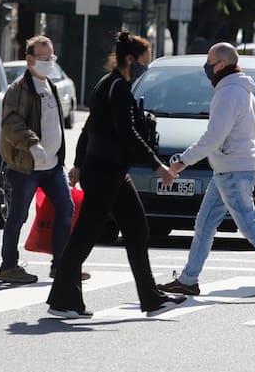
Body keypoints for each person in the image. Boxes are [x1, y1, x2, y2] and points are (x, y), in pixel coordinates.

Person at [46, 30, 186, 319]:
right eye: (143, 63)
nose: (144, 69)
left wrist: (79, 163)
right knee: (86, 235)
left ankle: (150, 298)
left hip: (107, 170)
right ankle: (63, 300)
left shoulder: (106, 84)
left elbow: (89, 129)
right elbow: (128, 133)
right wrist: (157, 165)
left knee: (136, 228)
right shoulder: (118, 88)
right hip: (107, 172)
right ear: (130, 59)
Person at [156, 43, 255, 302]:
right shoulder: (242, 91)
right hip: (229, 171)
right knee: (205, 224)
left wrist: (181, 162)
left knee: (249, 227)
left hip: (231, 172)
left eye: (210, 62)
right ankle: (188, 280)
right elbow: (254, 137)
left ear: (221, 65)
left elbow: (214, 137)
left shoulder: (229, 93)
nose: (207, 67)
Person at [0, 35, 87, 284]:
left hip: (52, 167)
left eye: (51, 58)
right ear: (29, 60)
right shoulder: (19, 89)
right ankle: (9, 266)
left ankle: (61, 265)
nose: (48, 63)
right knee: (18, 216)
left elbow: (55, 125)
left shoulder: (51, 85)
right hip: (27, 167)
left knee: (66, 208)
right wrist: (31, 142)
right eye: (43, 58)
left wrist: (60, 158)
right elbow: (11, 124)